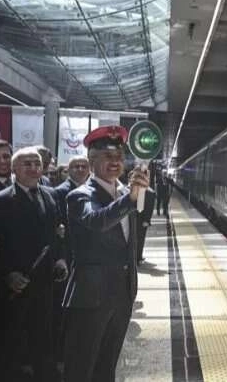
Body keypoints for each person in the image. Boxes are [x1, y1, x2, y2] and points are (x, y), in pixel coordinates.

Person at [62, 126, 149, 382]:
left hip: (122, 295)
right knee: (80, 369)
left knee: (107, 367)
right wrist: (130, 199)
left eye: (119, 156)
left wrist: (136, 191)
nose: (115, 161)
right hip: (91, 297)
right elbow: (97, 220)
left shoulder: (124, 192)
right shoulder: (80, 196)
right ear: (91, 161)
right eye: (107, 156)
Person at [0, 147, 68, 382]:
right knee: (11, 345)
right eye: (27, 163)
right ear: (14, 168)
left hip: (45, 284)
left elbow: (57, 233)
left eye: (37, 163)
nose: (33, 168)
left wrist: (60, 258)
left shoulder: (51, 195)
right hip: (15, 286)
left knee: (43, 341)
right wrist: (7, 274)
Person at [51, 155, 90, 363]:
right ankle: (62, 352)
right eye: (76, 166)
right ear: (69, 169)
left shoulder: (94, 189)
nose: (80, 169)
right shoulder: (59, 192)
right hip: (68, 255)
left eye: (84, 166)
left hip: (87, 257)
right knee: (64, 306)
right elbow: (57, 226)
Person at [136, 188, 155, 265]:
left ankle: (138, 257)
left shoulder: (150, 193)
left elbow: (149, 208)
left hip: (142, 220)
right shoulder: (128, 190)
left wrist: (146, 220)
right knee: (137, 239)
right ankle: (137, 257)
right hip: (133, 220)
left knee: (140, 239)